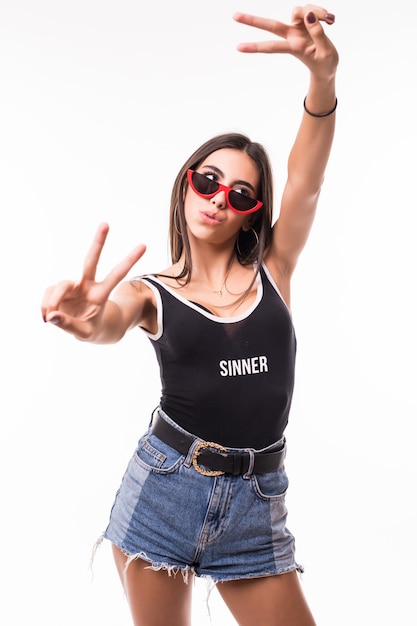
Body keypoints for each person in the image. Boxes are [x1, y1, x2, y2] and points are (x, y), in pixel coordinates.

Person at [42, 6, 338, 626]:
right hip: (164, 491)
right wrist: (83, 319)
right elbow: (111, 320)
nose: (218, 199)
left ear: (253, 212)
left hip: (259, 502)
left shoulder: (274, 272)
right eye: (208, 180)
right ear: (185, 185)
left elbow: (306, 181)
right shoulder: (153, 293)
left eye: (240, 194)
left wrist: (322, 80)